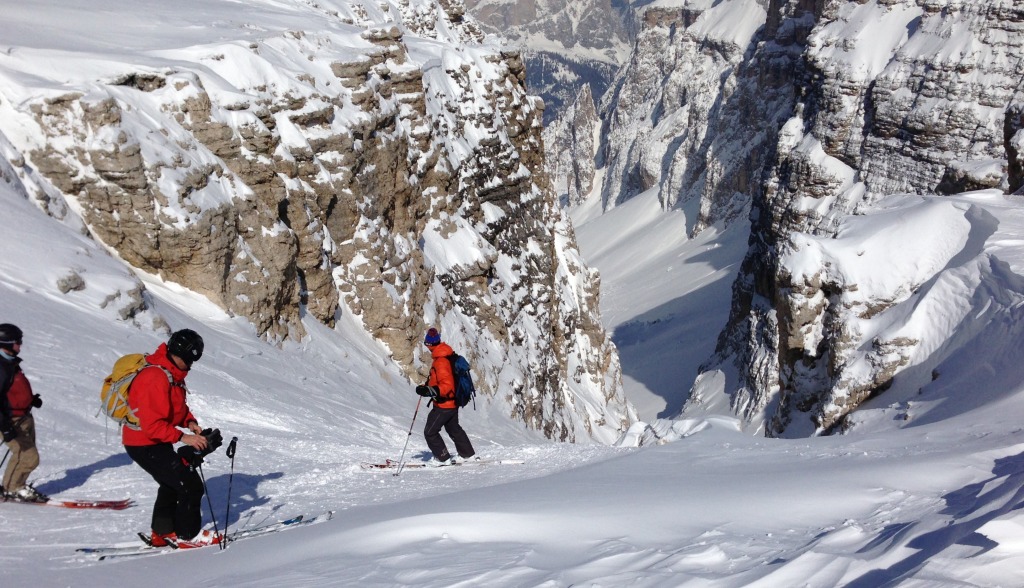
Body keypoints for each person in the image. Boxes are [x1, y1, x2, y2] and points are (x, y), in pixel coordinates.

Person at [123, 328, 220, 546]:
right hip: (144, 443)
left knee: (171, 484)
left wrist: (190, 423)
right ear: (184, 356)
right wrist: (185, 438)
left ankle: (162, 532)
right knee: (190, 485)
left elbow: (175, 408)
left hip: (156, 441)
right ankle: (188, 534)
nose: (192, 366)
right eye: (191, 360)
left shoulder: (172, 375)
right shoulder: (154, 377)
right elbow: (151, 425)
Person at [416, 328, 476, 466]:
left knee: (430, 432)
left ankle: (443, 458)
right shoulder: (445, 355)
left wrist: (428, 391)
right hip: (452, 403)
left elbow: (447, 386)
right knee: (453, 428)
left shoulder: (441, 361)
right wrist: (428, 387)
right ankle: (467, 455)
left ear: (429, 344)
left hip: (444, 405)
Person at [0, 323, 46, 502]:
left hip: (22, 416)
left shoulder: (9, 363)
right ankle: (13, 489)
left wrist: (30, 399)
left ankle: (13, 485)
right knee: (29, 456)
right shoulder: (1, 367)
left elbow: (10, 390)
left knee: (22, 455)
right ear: (7, 343)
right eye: (17, 342)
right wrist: (5, 427)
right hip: (10, 420)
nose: (20, 345)